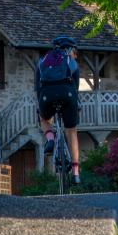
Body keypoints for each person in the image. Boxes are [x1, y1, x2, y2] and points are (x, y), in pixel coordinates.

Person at [35, 35, 81, 184]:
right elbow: (76, 88)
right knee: (71, 130)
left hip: (46, 96)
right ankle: (75, 172)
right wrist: (75, 103)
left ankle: (50, 139)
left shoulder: (43, 60)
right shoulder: (71, 61)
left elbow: (37, 87)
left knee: (43, 119)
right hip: (67, 94)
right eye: (75, 51)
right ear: (71, 49)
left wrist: (41, 105)